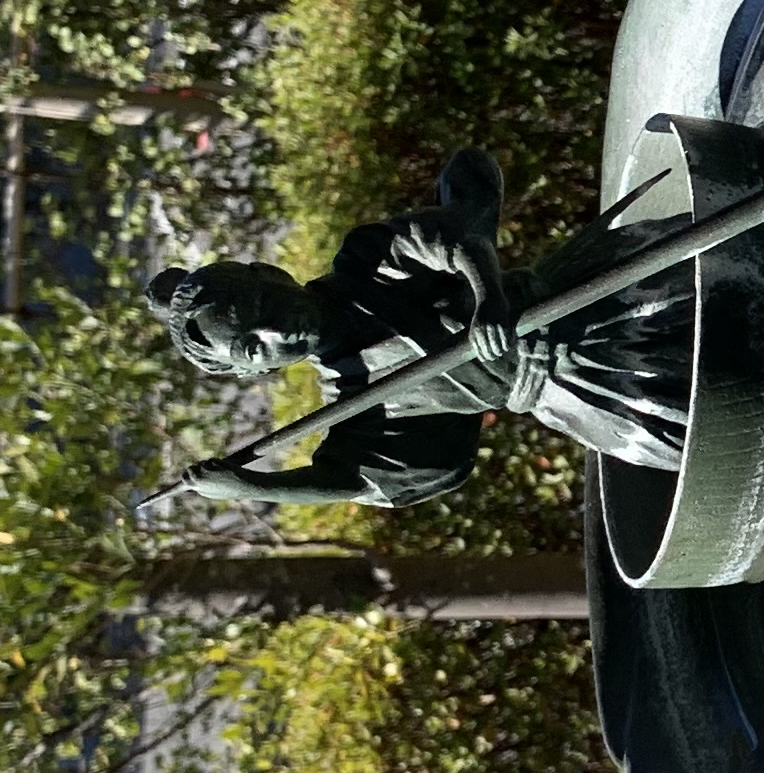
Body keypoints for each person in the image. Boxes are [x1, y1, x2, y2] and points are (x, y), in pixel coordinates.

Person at [143, 147, 692, 507]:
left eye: (262, 301)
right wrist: (254, 486)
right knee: (714, 421)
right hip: (591, 396)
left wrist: (489, 297)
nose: (275, 330)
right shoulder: (359, 401)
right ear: (254, 371)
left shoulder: (366, 265)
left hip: (590, 292)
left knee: (714, 277)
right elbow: (356, 478)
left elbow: (453, 238)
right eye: (252, 346)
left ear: (269, 271)